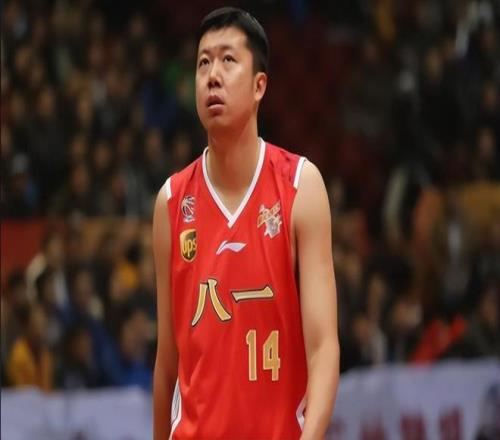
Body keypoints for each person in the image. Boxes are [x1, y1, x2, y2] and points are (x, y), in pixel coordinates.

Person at [152, 7, 339, 439]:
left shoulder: (301, 186)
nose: (212, 76)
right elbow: (166, 363)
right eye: (203, 63)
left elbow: (324, 347)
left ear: (259, 86)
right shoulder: (171, 202)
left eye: (228, 60)